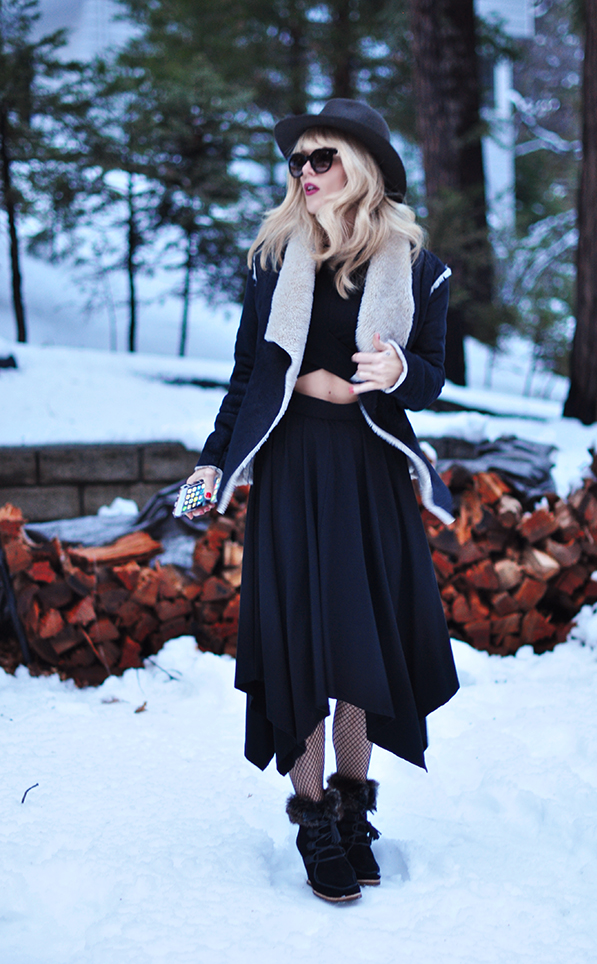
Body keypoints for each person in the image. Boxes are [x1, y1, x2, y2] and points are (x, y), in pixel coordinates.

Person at [186, 99, 459, 903]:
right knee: (304, 646)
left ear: (363, 167)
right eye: (298, 161)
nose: (305, 173)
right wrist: (212, 462)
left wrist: (402, 373)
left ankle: (352, 809)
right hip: (293, 469)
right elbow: (247, 376)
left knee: (361, 650)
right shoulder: (273, 263)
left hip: (368, 473)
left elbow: (436, 373)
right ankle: (311, 819)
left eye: (322, 159)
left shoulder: (416, 267)